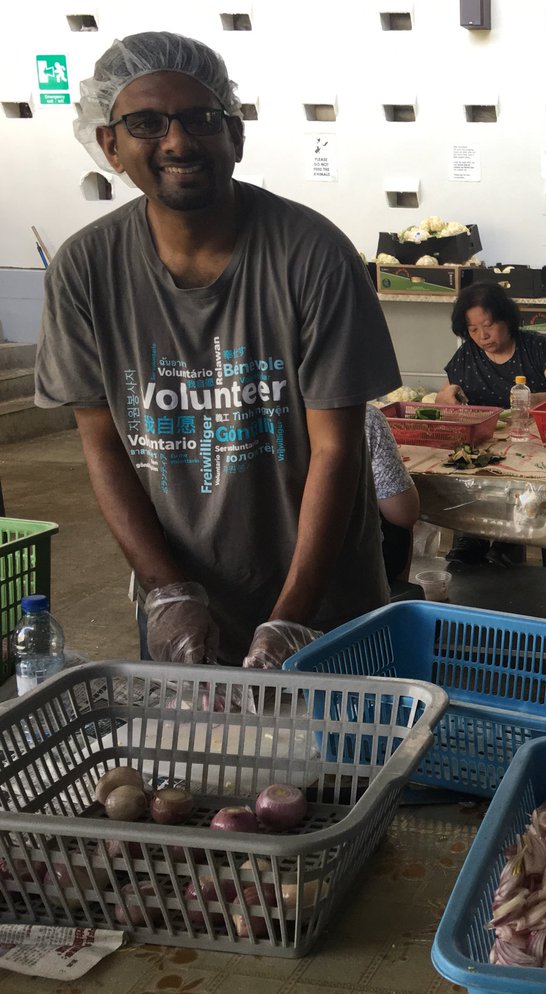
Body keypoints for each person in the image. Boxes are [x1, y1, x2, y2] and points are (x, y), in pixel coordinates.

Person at [34, 32, 401, 669]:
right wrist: (168, 593)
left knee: (342, 767)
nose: (178, 142)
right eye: (146, 123)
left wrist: (291, 616)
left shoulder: (312, 255)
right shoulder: (85, 270)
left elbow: (338, 448)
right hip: (180, 605)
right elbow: (103, 446)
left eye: (201, 119)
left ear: (234, 135)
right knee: (195, 767)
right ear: (109, 146)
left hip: (325, 606)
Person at [435, 282, 546, 567]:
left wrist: (529, 401)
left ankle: (509, 541)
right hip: (491, 452)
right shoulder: (467, 356)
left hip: (539, 449)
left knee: (517, 485)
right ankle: (473, 539)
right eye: (473, 330)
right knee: (466, 473)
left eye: (489, 325)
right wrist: (445, 397)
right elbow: (444, 397)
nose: (483, 336)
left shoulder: (538, 348)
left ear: (506, 319)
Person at [365, 403, 421, 588]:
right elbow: (404, 514)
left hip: (276, 574)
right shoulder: (365, 417)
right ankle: (393, 599)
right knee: (399, 514)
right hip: (356, 573)